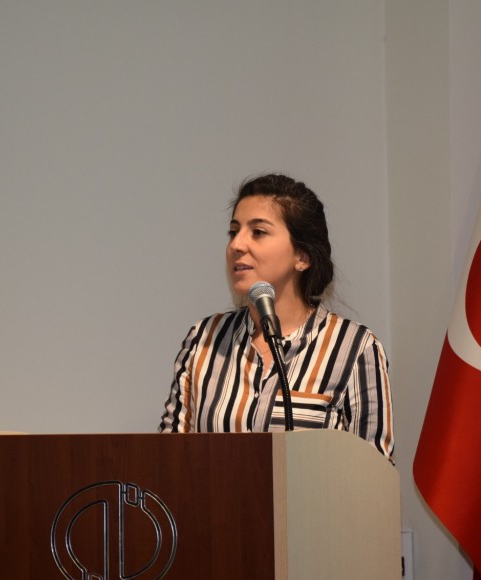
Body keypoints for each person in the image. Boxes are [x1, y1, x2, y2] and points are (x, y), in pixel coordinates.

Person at [158, 173, 394, 460]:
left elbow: (374, 472)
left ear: (302, 256)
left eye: (258, 232)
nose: (236, 245)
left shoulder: (355, 348)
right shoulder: (204, 339)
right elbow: (167, 460)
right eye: (233, 232)